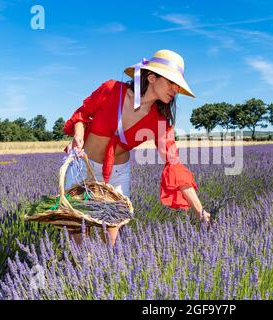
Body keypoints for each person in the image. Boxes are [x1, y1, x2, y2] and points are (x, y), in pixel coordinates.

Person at [62, 49, 212, 247]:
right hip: (83, 165)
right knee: (77, 233)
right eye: (171, 83)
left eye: (178, 86)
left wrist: (199, 210)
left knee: (110, 239)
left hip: (116, 175)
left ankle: (105, 275)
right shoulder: (111, 89)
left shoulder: (159, 121)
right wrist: (78, 135)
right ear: (151, 77)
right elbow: (82, 114)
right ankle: (78, 274)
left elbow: (174, 163)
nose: (175, 90)